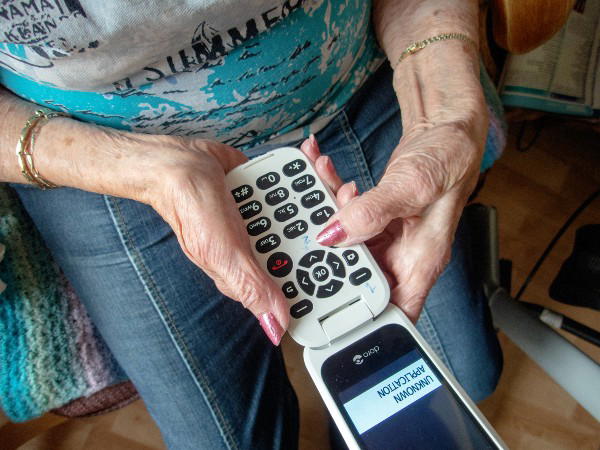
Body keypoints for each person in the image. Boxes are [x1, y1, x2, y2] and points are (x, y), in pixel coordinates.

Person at [0, 0, 504, 448]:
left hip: (348, 83)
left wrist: (448, 112)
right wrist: (140, 168)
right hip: (100, 154)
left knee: (465, 375)